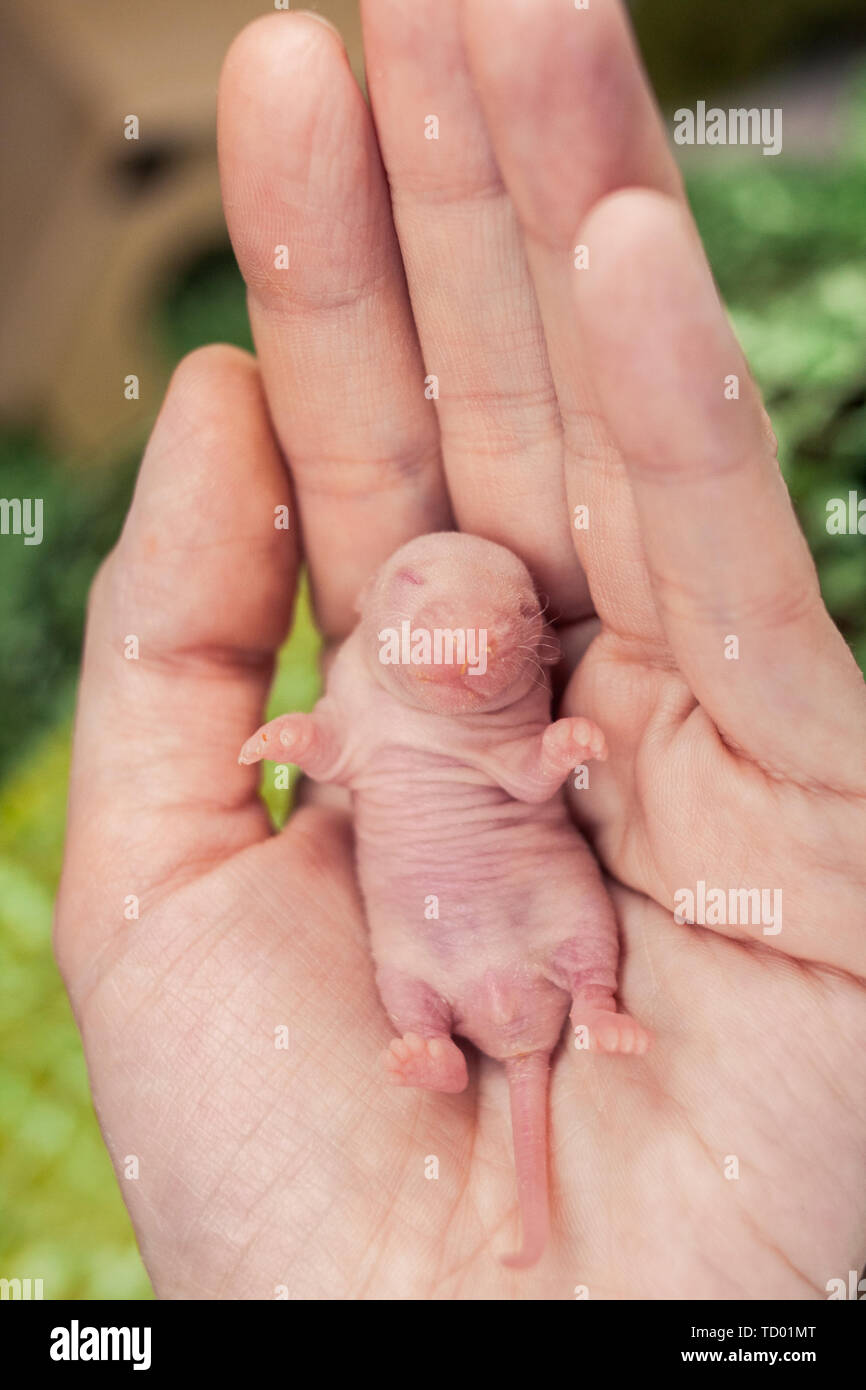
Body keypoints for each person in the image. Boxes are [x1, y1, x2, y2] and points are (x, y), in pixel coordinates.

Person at [56, 2, 866, 1299]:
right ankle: (501, 1028)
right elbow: (351, 748)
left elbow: (528, 775)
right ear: (388, 614)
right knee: (466, 949)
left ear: (535, 654)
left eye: (504, 630)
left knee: (509, 944)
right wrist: (304, 736)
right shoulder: (386, 704)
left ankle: (586, 1010)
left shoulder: (499, 718)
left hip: (472, 916)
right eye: (434, 594)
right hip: (478, 911)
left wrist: (548, 746)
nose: (468, 626)